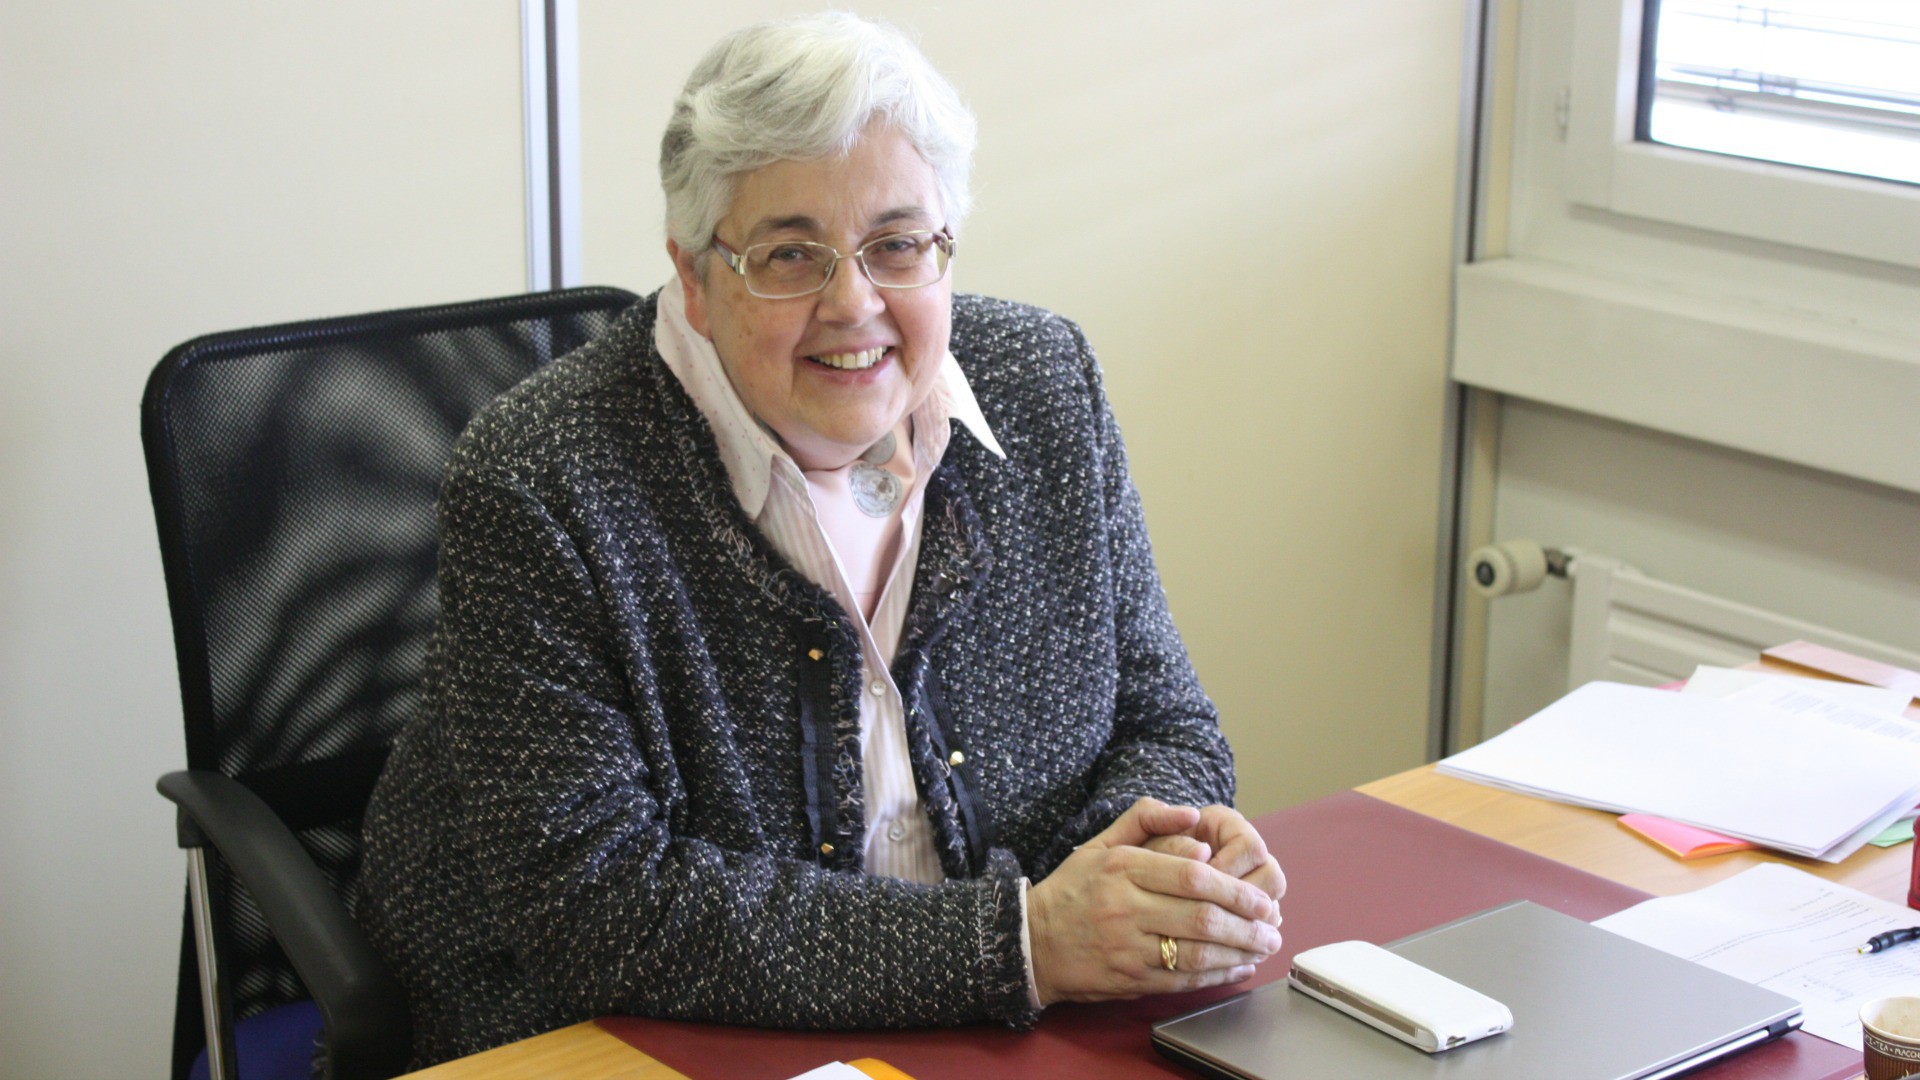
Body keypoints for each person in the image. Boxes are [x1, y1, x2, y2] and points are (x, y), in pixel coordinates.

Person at [359, 12, 1285, 1066]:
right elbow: (599, 907)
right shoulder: (541, 480)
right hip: (633, 1036)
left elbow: (1167, 721)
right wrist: (1022, 941)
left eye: (897, 244)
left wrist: (1146, 867)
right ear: (694, 279)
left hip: (1001, 1032)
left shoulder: (1046, 385)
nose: (855, 305)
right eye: (789, 255)